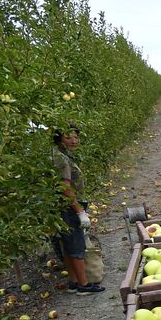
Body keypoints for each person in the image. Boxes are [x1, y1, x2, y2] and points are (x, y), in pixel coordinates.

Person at [52, 126, 104, 293]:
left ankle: (73, 282)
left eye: (76, 137)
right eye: (68, 138)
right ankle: (84, 285)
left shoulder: (59, 154)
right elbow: (65, 188)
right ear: (60, 138)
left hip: (62, 205)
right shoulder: (61, 158)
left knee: (67, 244)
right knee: (76, 244)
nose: (74, 141)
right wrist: (79, 211)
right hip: (69, 206)